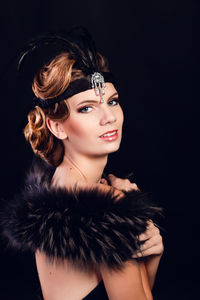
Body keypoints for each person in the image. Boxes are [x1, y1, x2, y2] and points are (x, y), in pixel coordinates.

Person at [1, 27, 164, 300]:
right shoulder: (104, 205)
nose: (108, 117)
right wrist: (127, 213)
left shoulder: (59, 187)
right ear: (56, 127)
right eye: (86, 108)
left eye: (112, 101)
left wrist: (151, 254)